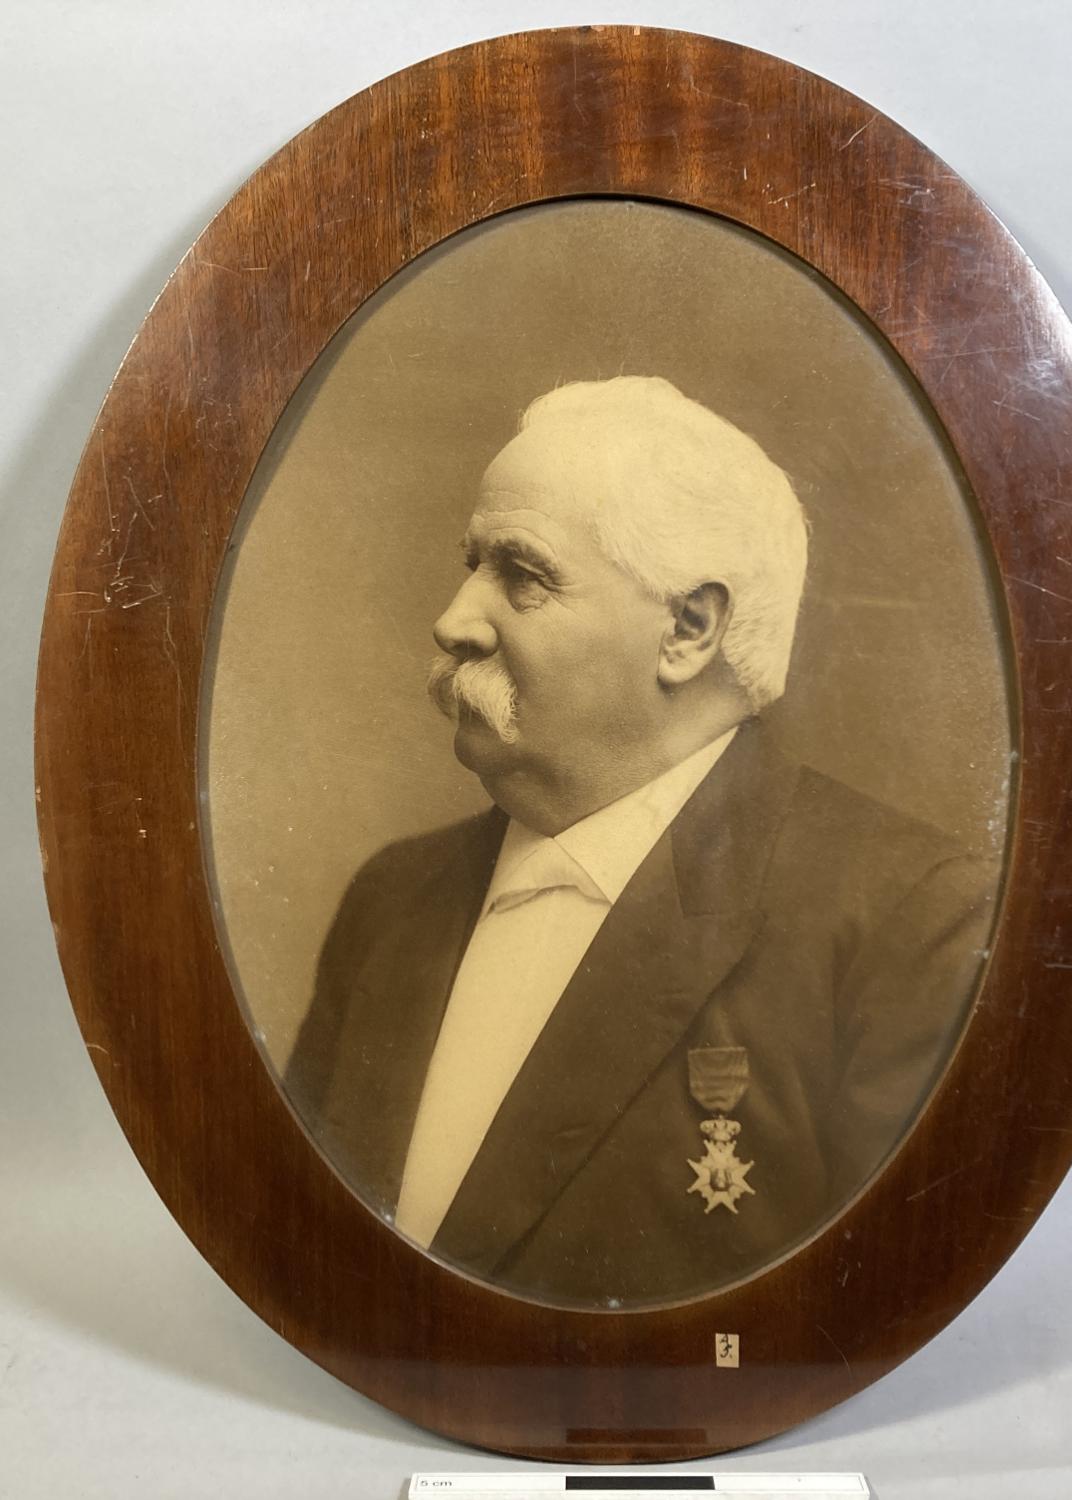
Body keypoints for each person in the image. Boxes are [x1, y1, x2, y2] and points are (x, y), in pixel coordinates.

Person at [286, 376, 995, 1306]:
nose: (453, 621)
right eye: (471, 565)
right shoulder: (392, 899)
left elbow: (879, 1314)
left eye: (522, 575)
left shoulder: (909, 922)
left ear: (688, 630)